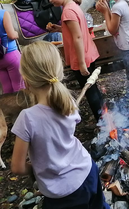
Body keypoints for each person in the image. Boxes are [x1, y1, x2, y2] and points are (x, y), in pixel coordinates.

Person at [10, 41, 110, 209]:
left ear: (26, 80)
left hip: (62, 195)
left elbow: (17, 167)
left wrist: (35, 168)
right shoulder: (67, 101)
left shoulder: (27, 118)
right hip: (87, 171)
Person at [43, 0, 104, 123]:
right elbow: (73, 31)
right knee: (92, 88)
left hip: (81, 57)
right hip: (88, 53)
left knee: (90, 91)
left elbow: (77, 37)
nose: (50, 0)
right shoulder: (73, 6)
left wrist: (81, 63)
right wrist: (59, 29)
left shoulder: (67, 12)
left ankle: (102, 122)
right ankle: (104, 119)